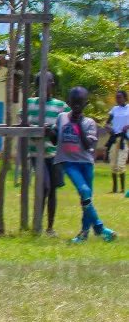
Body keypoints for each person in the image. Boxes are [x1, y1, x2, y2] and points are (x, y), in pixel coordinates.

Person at [50, 86, 116, 245]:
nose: (76, 106)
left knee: (86, 199)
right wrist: (50, 132)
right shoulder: (61, 117)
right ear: (69, 103)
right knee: (84, 190)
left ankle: (84, 234)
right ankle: (100, 228)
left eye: (80, 103)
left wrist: (78, 125)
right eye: (74, 103)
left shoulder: (89, 123)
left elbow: (88, 146)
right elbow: (54, 140)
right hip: (69, 163)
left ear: (85, 104)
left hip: (86, 163)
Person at [26, 73, 69, 236]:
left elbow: (67, 125)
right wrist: (33, 126)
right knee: (44, 187)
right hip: (37, 153)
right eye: (40, 84)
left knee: (52, 191)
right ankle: (37, 224)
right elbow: (23, 121)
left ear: (52, 84)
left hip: (54, 154)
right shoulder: (30, 103)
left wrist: (53, 130)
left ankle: (50, 227)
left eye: (48, 83)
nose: (44, 87)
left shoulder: (61, 106)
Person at [104, 89, 128, 195]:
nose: (117, 99)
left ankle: (122, 189)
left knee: (121, 164)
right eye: (116, 97)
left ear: (125, 98)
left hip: (124, 139)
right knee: (113, 164)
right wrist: (109, 129)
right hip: (114, 139)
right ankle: (114, 189)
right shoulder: (114, 109)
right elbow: (107, 123)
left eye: (119, 97)